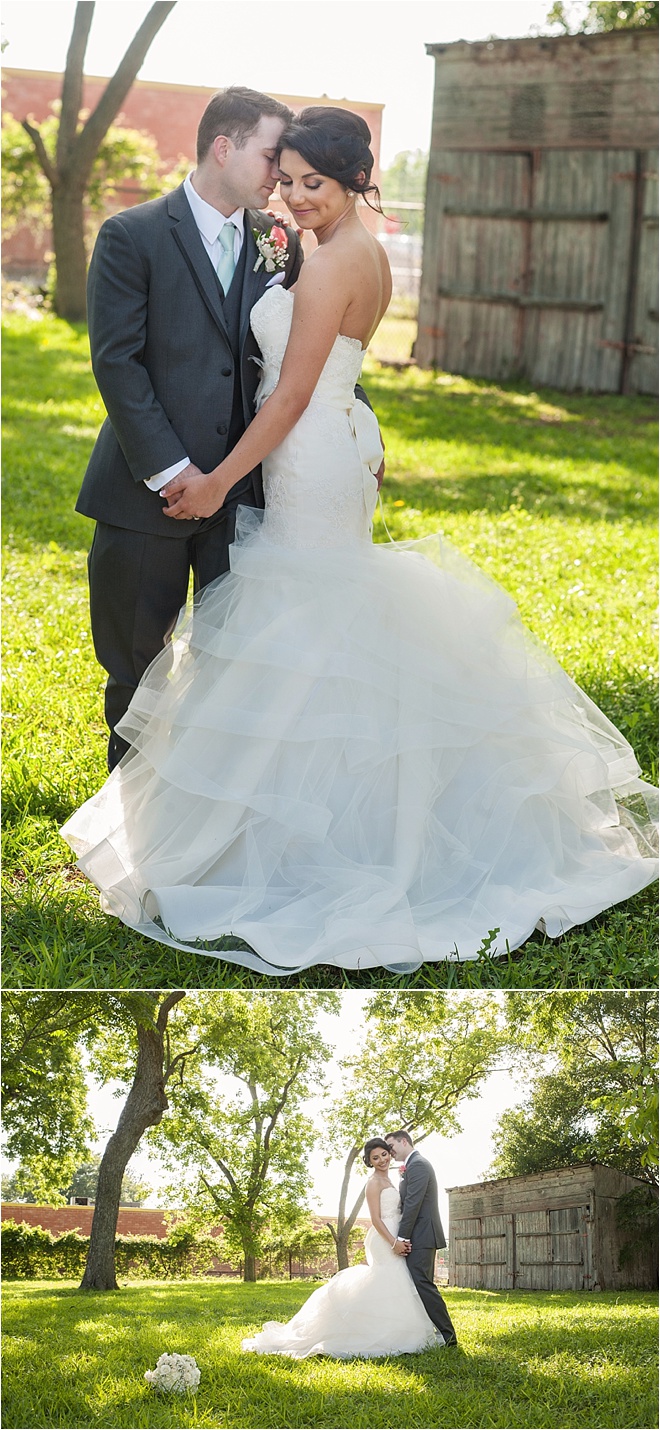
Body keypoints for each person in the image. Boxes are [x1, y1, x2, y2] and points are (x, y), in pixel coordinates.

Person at [62, 106, 658, 978]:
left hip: (288, 468)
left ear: (351, 184)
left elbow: (298, 388)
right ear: (229, 150)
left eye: (310, 182)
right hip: (277, 466)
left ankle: (272, 839)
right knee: (224, 647)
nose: (290, 193)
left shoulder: (334, 252)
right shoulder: (233, 239)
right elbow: (141, 361)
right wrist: (354, 427)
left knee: (303, 639)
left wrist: (225, 478)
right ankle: (170, 818)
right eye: (285, 173)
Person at [76, 86, 375, 771]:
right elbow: (117, 365)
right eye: (273, 157)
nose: (282, 176)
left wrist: (363, 423)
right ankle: (131, 818)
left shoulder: (279, 240)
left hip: (247, 497)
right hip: (145, 494)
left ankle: (207, 815)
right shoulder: (133, 234)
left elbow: (317, 350)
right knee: (135, 666)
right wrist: (173, 472)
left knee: (234, 670)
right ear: (224, 146)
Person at [241, 1139, 445, 1358]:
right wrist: (394, 1243)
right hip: (385, 1239)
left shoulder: (391, 1179)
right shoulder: (373, 1182)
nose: (382, 1160)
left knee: (399, 1282)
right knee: (389, 1279)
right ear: (369, 1162)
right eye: (375, 1158)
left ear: (389, 1153)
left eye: (384, 1155)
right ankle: (375, 1333)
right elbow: (375, 1219)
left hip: (397, 1235)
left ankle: (398, 1331)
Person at [384, 1130, 457, 1346]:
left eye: (391, 1145)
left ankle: (448, 1336)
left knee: (423, 1284)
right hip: (419, 1234)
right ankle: (429, 1331)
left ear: (403, 1141)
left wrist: (401, 1238)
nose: (390, 1151)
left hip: (422, 1235)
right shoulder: (412, 1165)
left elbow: (413, 1204)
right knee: (418, 1284)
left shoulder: (418, 1165)